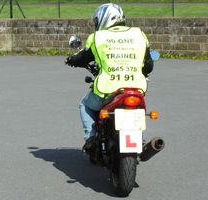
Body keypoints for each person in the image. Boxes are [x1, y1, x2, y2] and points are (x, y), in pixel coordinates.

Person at [65, 3, 154, 152]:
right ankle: (139, 140)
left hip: (107, 88)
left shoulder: (97, 37)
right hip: (136, 88)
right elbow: (149, 66)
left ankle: (91, 139)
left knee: (85, 105)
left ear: (103, 19)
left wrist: (71, 60)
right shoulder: (139, 34)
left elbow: (84, 57)